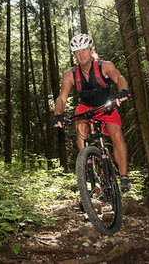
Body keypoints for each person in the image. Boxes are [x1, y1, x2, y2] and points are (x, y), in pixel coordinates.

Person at [52, 33, 131, 191]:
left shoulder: (105, 66)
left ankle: (124, 176)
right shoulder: (70, 74)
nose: (81, 55)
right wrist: (57, 114)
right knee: (80, 127)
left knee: (116, 133)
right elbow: (61, 98)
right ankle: (89, 168)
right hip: (86, 107)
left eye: (84, 50)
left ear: (91, 50)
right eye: (77, 52)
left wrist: (123, 91)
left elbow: (119, 77)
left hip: (105, 106)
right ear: (74, 55)